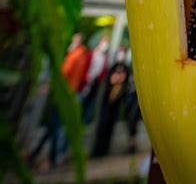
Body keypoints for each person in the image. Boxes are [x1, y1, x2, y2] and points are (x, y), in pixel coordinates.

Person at [28, 33, 90, 169]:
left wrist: (47, 86)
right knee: (53, 126)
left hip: (62, 95)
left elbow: (63, 74)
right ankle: (38, 153)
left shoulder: (74, 56)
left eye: (74, 40)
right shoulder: (83, 56)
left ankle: (52, 157)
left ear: (77, 42)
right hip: (71, 94)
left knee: (54, 126)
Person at [91, 46, 129, 158]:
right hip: (106, 102)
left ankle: (104, 149)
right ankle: (97, 150)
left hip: (115, 103)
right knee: (101, 126)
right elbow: (109, 81)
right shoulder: (112, 67)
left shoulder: (125, 68)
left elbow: (124, 82)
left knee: (109, 127)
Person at [81, 34, 110, 124]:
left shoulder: (105, 58)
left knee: (89, 107)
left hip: (95, 85)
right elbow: (84, 67)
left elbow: (104, 72)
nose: (105, 45)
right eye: (104, 43)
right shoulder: (91, 54)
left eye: (107, 44)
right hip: (84, 84)